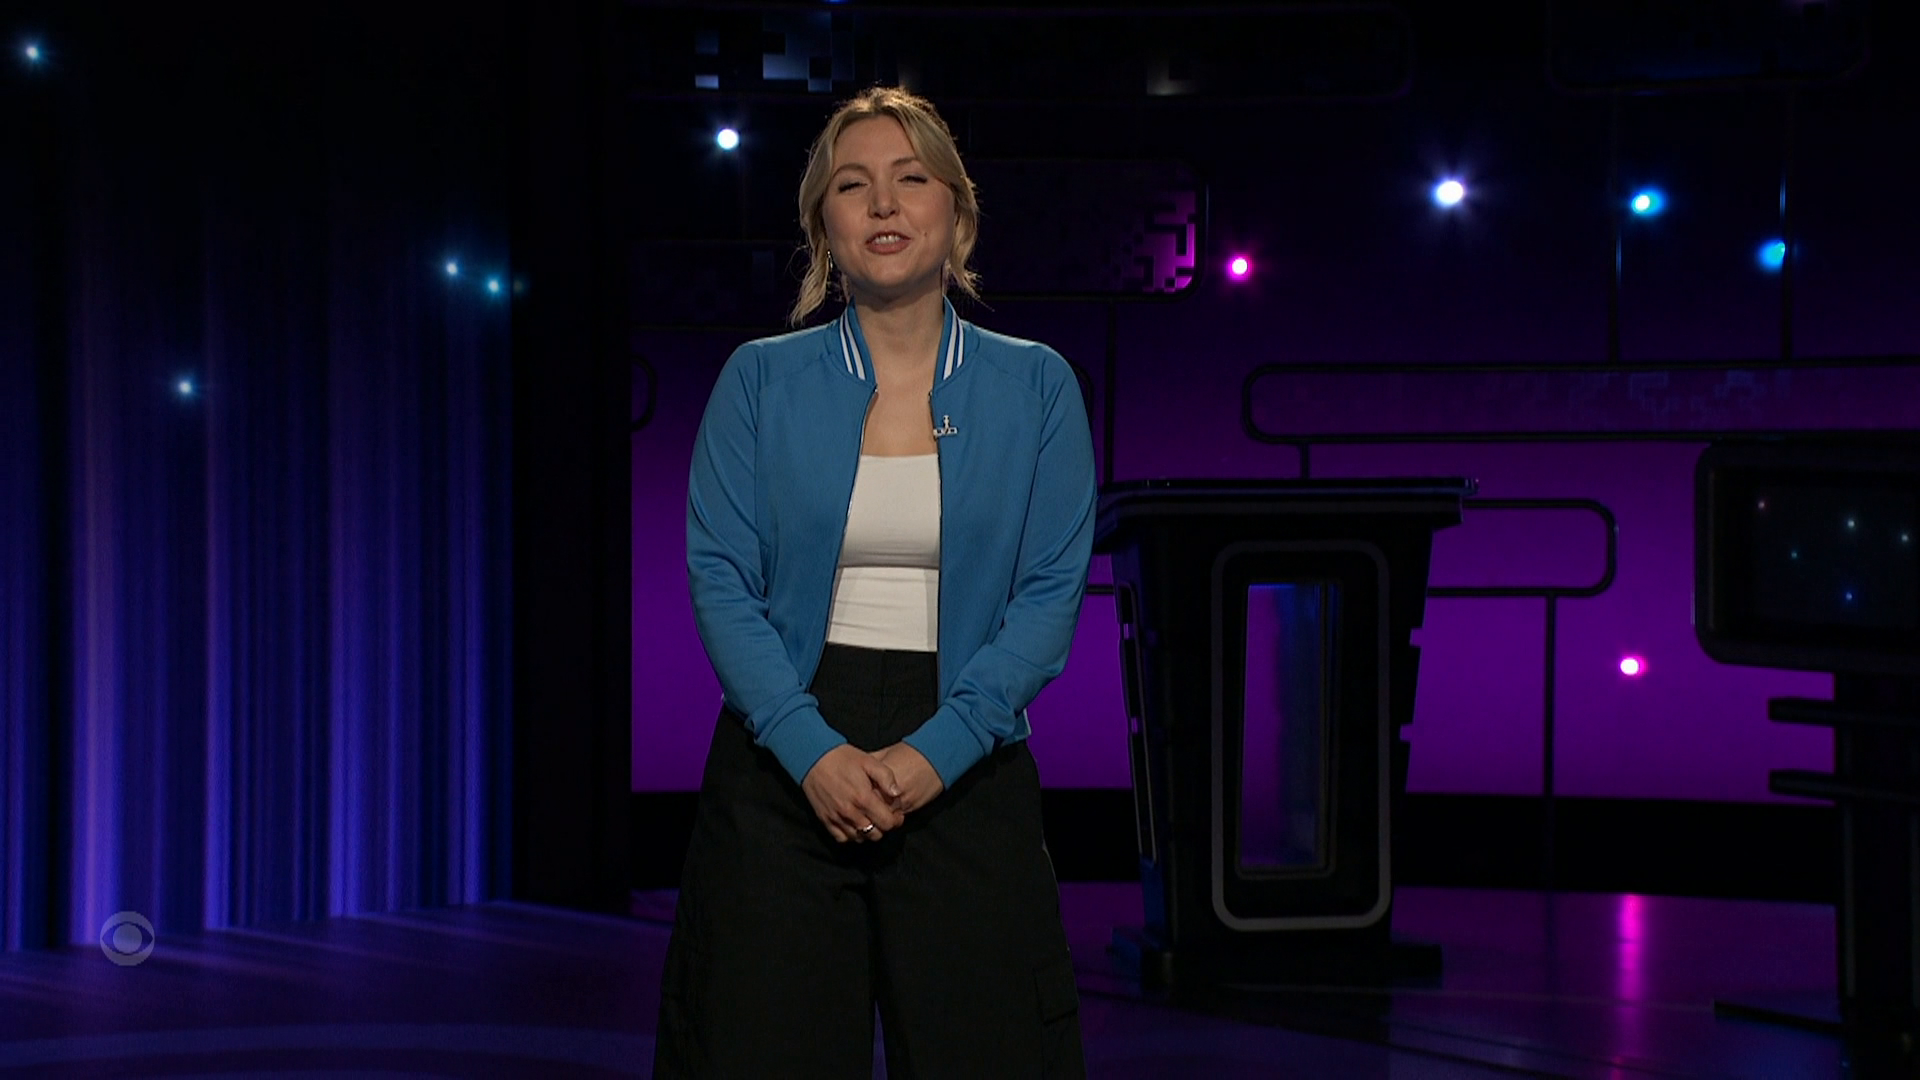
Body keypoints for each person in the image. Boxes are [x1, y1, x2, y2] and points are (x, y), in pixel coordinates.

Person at [652, 85, 1096, 1079]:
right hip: (784, 757)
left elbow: (1049, 595)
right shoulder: (758, 380)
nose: (884, 205)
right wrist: (811, 750)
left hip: (966, 753)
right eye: (853, 186)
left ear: (957, 213)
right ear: (825, 227)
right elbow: (720, 577)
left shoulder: (1037, 386)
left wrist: (939, 752)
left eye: (911, 179)